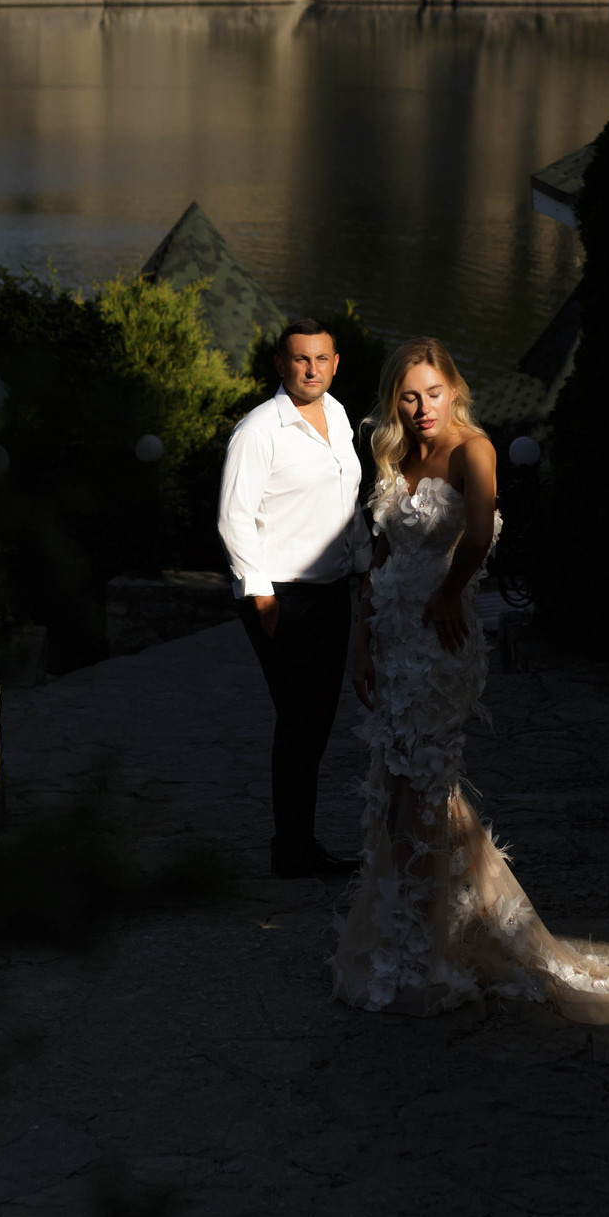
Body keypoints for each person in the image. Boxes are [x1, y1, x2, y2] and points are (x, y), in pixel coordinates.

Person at [333, 338, 609, 1025]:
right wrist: (361, 646)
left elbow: (480, 530)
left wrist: (448, 593)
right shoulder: (394, 451)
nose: (423, 407)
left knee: (422, 785)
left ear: (455, 388)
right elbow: (375, 559)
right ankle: (440, 928)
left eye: (433, 392)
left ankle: (425, 952)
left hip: (440, 645)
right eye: (409, 396)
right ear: (394, 400)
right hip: (392, 635)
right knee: (397, 782)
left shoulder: (474, 449)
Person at [218, 316, 366, 879]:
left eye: (322, 359)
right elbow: (233, 518)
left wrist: (361, 564)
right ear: (281, 365)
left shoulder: (337, 414)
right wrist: (260, 597)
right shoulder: (259, 431)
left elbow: (346, 503)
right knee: (300, 721)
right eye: (300, 360)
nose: (312, 369)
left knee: (317, 720)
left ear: (335, 363)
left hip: (332, 592)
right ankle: (293, 850)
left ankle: (298, 842)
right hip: (280, 596)